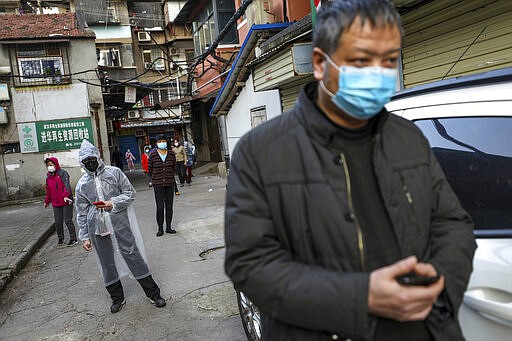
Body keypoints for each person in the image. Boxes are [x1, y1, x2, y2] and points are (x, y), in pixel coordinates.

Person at [224, 1, 477, 340]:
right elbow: (250, 265)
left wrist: (439, 278)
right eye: (361, 60)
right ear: (319, 63)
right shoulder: (260, 153)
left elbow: (452, 223)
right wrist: (362, 297)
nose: (377, 74)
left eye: (388, 61)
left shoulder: (409, 138)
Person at [75, 139, 166, 313]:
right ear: (82, 163)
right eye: (85, 161)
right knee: (106, 261)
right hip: (97, 228)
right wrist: (85, 236)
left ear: (98, 157)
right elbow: (82, 212)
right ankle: (117, 298)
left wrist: (112, 203)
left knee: (132, 254)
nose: (90, 163)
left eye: (91, 159)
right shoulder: (82, 185)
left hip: (119, 223)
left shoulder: (114, 173)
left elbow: (130, 193)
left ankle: (153, 293)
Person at [44, 157, 77, 247]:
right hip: (56, 202)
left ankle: (73, 238)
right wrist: (47, 201)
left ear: (55, 164)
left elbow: (66, 186)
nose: (49, 167)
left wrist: (66, 196)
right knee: (58, 222)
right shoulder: (48, 177)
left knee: (67, 220)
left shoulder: (63, 174)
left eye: (51, 165)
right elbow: (48, 190)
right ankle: (60, 239)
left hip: (66, 201)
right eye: (48, 165)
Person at [147, 134, 177, 236]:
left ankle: (168, 227)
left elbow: (173, 168)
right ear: (156, 143)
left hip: (169, 183)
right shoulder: (152, 154)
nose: (161, 143)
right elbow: (149, 170)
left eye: (163, 141)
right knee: (160, 207)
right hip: (158, 184)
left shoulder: (171, 154)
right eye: (159, 141)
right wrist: (151, 180)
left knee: (169, 206)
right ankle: (160, 228)